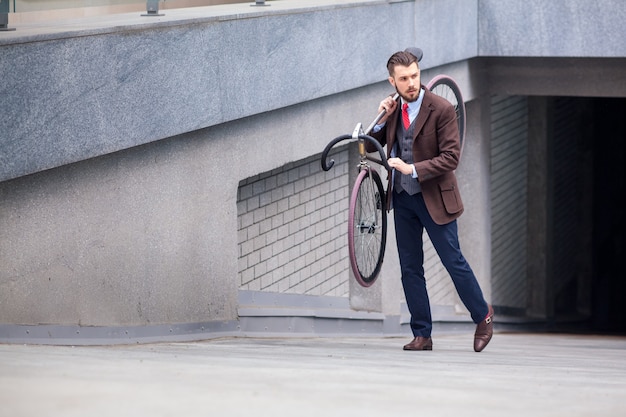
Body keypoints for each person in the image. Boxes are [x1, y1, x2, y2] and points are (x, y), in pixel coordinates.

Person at [367, 49, 493, 352]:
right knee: (410, 268)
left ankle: (483, 316)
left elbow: (451, 158)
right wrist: (381, 117)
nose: (411, 83)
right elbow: (372, 144)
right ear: (392, 81)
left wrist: (412, 168)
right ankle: (422, 334)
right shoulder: (394, 109)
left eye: (414, 76)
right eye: (404, 79)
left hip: (435, 197)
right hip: (402, 197)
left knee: (453, 261)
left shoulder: (442, 108)